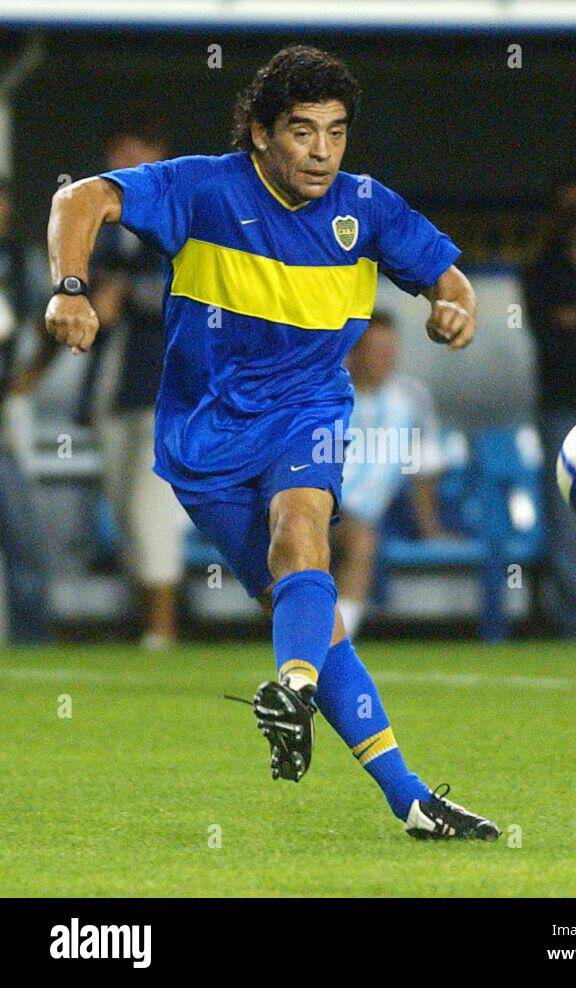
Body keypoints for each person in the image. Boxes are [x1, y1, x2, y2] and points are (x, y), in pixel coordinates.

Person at [44, 46, 500, 840]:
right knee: (316, 624)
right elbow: (80, 200)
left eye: (335, 132)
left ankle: (290, 687)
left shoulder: (369, 208)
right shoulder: (200, 188)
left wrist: (455, 307)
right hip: (202, 438)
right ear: (260, 134)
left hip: (307, 409)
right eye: (301, 132)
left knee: (304, 532)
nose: (322, 151)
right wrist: (71, 288)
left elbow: (447, 277)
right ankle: (410, 799)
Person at [79, 131, 189, 649]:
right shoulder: (100, 228)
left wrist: (126, 294)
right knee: (124, 508)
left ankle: (161, 631)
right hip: (111, 386)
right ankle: (145, 621)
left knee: (152, 508)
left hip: (165, 388)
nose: (123, 164)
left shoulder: (180, 218)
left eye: (135, 154)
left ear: (159, 157)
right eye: (117, 154)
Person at [522, 178, 576, 637]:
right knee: (568, 524)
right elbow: (553, 335)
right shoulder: (543, 268)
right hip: (562, 407)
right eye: (568, 206)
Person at [334, 309, 451, 639]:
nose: (387, 358)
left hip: (382, 515)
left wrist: (429, 527)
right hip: (324, 505)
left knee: (362, 539)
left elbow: (423, 469)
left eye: (391, 349)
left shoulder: (412, 399)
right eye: (376, 349)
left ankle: (337, 642)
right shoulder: (328, 394)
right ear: (353, 352)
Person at [0, 182, 54, 643]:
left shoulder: (22, 262)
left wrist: (31, 375)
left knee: (23, 541)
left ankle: (33, 640)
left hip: (4, 425)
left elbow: (53, 322)